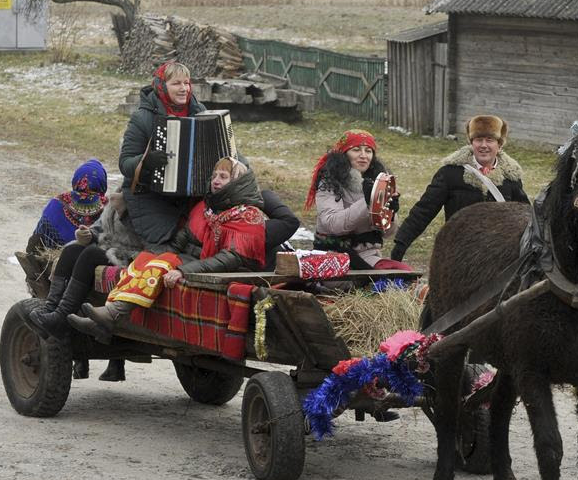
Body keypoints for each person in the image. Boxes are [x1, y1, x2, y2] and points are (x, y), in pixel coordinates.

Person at [69, 157, 300, 342]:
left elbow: (229, 259)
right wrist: (151, 255)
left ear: (238, 182)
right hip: (207, 262)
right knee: (148, 259)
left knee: (160, 264)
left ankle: (113, 314)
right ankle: (108, 316)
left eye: (223, 176)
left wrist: (183, 270)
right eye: (214, 176)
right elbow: (180, 242)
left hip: (232, 270)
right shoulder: (208, 208)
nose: (216, 181)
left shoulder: (248, 217)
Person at [25, 191, 144, 381]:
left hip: (136, 254)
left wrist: (124, 213)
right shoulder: (123, 195)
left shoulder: (146, 202)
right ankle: (51, 309)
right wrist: (89, 234)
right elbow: (101, 227)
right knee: (72, 249)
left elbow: (146, 235)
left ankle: (59, 317)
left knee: (89, 255)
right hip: (113, 246)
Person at [389, 115, 529, 263]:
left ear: (499, 144)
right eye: (478, 139)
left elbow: (525, 215)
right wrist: (401, 244)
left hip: (497, 255)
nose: (483, 145)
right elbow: (424, 210)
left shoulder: (511, 178)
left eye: (490, 140)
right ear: (471, 142)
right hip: (459, 252)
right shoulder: (451, 173)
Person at [117, 60, 206, 250]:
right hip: (151, 196)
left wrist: (238, 165)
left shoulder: (201, 113)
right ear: (161, 87)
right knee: (170, 248)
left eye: (187, 83)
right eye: (176, 83)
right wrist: (146, 162)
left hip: (192, 194)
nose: (184, 88)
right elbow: (125, 163)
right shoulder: (143, 118)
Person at [305, 129, 412, 271]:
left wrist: (390, 214)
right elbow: (332, 224)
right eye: (356, 150)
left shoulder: (378, 182)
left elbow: (387, 233)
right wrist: (368, 203)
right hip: (335, 258)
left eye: (368, 151)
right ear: (344, 154)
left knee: (405, 275)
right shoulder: (329, 182)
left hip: (369, 255)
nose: (363, 156)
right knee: (387, 281)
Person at [26, 159, 108, 254]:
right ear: (103, 184)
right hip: (92, 258)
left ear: (76, 181)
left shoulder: (57, 203)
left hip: (59, 257)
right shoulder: (109, 207)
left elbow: (37, 238)